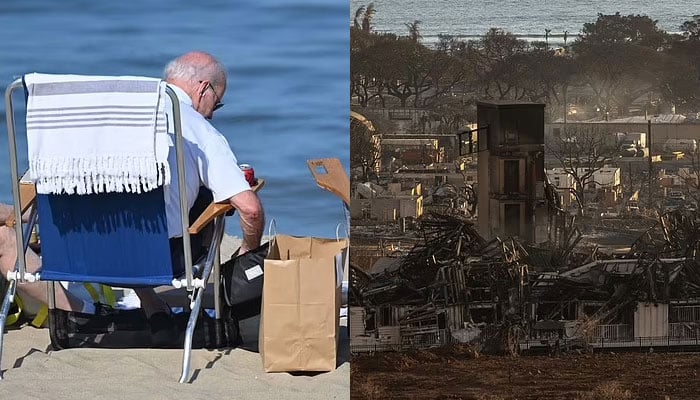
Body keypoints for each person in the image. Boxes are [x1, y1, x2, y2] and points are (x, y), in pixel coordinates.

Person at [0, 51, 265, 346]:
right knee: (206, 198)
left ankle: (103, 306)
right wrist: (247, 250)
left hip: (75, 251)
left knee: (108, 198)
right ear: (204, 89)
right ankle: (163, 302)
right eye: (218, 102)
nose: (213, 113)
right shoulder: (196, 127)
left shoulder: (96, 120)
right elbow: (250, 210)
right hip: (159, 258)